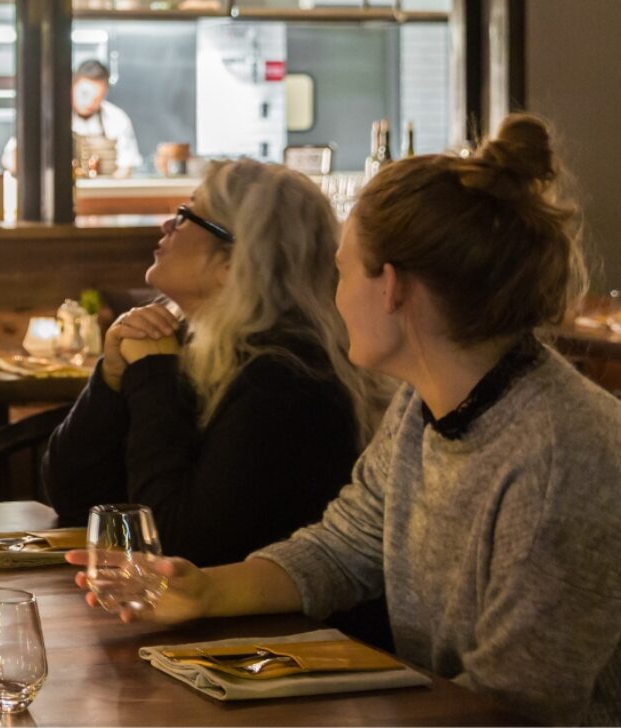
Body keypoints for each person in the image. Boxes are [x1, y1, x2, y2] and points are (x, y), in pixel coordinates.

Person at [68, 115, 621, 726]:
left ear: (391, 288)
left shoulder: (563, 456)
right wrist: (203, 591)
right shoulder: (424, 403)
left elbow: (516, 707)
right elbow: (344, 548)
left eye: (343, 270)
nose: (331, 294)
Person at [42, 159, 383, 567]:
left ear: (232, 263)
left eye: (186, 216)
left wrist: (152, 379)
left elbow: (178, 545)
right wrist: (111, 379)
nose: (167, 225)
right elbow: (72, 496)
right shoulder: (192, 345)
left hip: (278, 609)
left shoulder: (284, 378)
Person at [68, 59, 141, 177]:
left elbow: (126, 167)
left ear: (104, 93)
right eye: (84, 94)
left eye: (96, 98)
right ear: (73, 87)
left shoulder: (117, 119)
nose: (88, 102)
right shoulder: (56, 117)